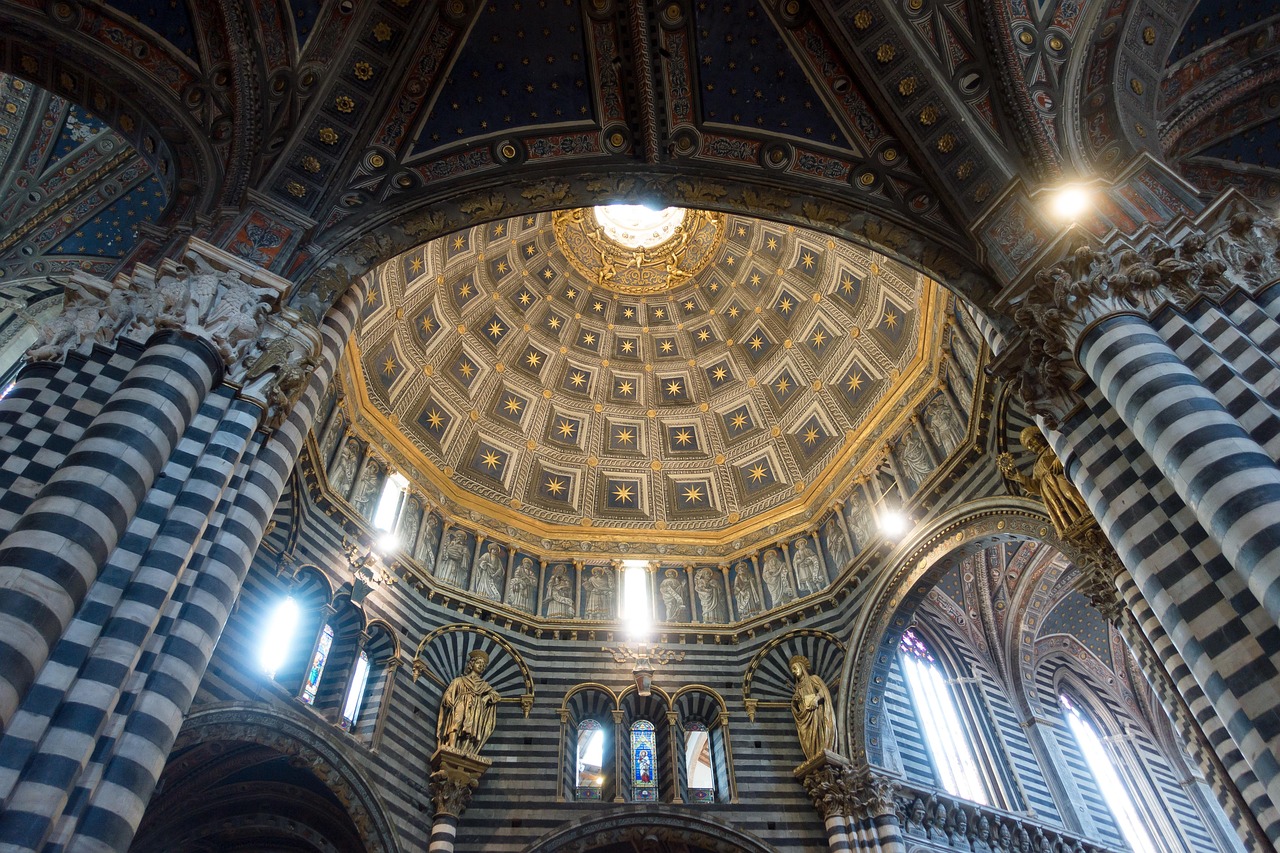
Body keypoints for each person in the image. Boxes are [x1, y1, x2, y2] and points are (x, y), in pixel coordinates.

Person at [998, 426, 1093, 536]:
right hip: (1049, 490)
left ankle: (1086, 510)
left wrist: (1058, 460)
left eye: (1031, 441)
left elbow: (1067, 450)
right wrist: (1022, 479)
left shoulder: (1052, 447)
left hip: (1059, 478)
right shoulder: (1036, 466)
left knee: (1070, 493)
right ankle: (1076, 519)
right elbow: (1036, 486)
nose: (1031, 446)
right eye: (1029, 445)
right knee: (1062, 507)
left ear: (1039, 437)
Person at [436, 649, 501, 757]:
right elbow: (449, 692)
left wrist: (487, 697)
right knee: (456, 722)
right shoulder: (459, 680)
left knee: (471, 729)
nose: (481, 666)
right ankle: (452, 746)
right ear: (471, 664)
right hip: (461, 703)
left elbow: (496, 695)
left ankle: (467, 750)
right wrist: (448, 698)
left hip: (476, 708)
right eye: (478, 663)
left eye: (483, 665)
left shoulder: (484, 685)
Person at [789, 654, 836, 760]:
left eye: (795, 668)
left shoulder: (813, 679)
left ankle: (822, 752)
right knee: (808, 739)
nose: (793, 671)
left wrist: (816, 699)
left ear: (801, 667)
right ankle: (813, 757)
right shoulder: (798, 688)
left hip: (816, 713)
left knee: (819, 734)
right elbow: (798, 706)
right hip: (806, 717)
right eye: (792, 670)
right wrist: (795, 702)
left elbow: (823, 691)